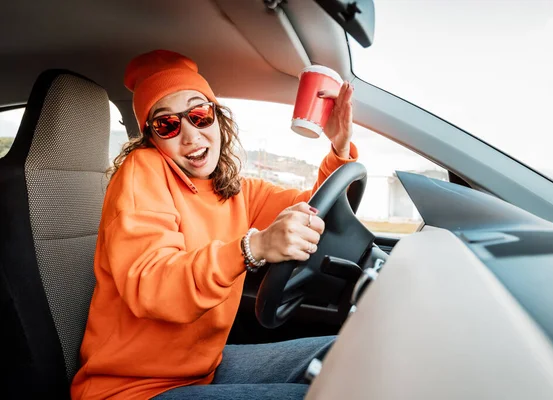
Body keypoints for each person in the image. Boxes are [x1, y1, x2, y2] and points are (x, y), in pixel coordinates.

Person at [71, 49, 358, 400]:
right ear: (152, 138)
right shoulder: (142, 171)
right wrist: (253, 248)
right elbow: (154, 284)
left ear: (217, 118)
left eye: (198, 115)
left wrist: (339, 147)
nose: (190, 136)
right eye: (168, 124)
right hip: (132, 389)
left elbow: (316, 208)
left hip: (202, 372)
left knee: (346, 355)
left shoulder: (238, 191)